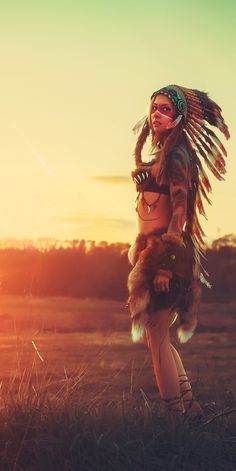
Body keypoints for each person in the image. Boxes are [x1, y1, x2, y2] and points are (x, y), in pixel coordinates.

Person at [126, 84, 230, 417]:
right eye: (153, 107)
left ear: (179, 116)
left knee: (156, 334)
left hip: (165, 255)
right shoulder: (164, 154)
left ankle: (175, 417)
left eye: (165, 109)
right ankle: (191, 409)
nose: (156, 114)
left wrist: (166, 264)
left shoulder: (177, 155)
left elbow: (181, 213)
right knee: (157, 335)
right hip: (151, 252)